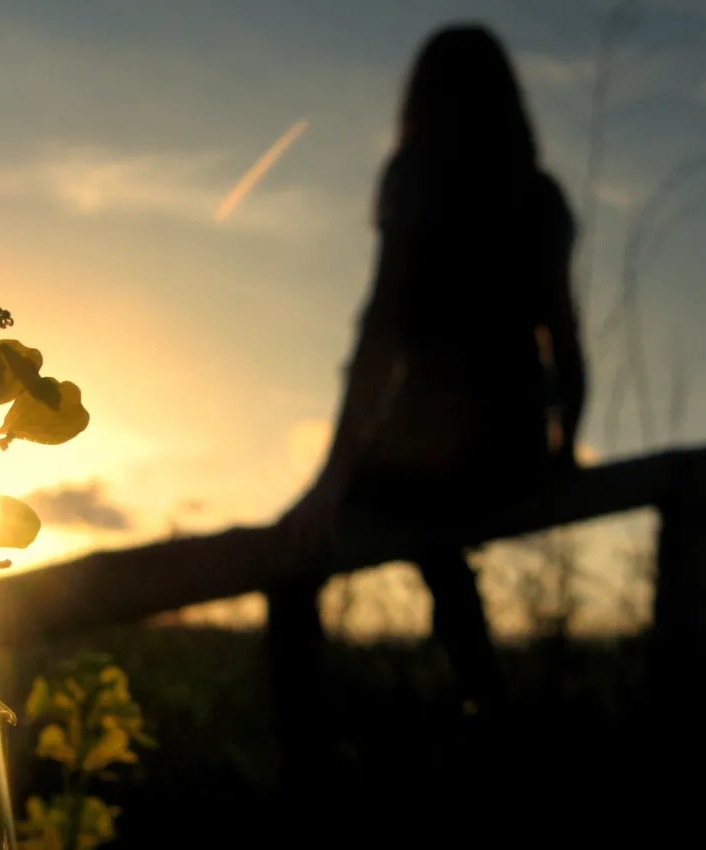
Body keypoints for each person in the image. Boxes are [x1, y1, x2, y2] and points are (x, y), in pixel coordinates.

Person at [265, 22, 587, 765]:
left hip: (432, 454)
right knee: (437, 534)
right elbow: (564, 340)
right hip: (511, 452)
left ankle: (308, 752)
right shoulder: (541, 197)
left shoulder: (416, 177)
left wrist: (332, 478)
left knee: (291, 555)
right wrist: (562, 450)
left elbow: (381, 333)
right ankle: (485, 703)